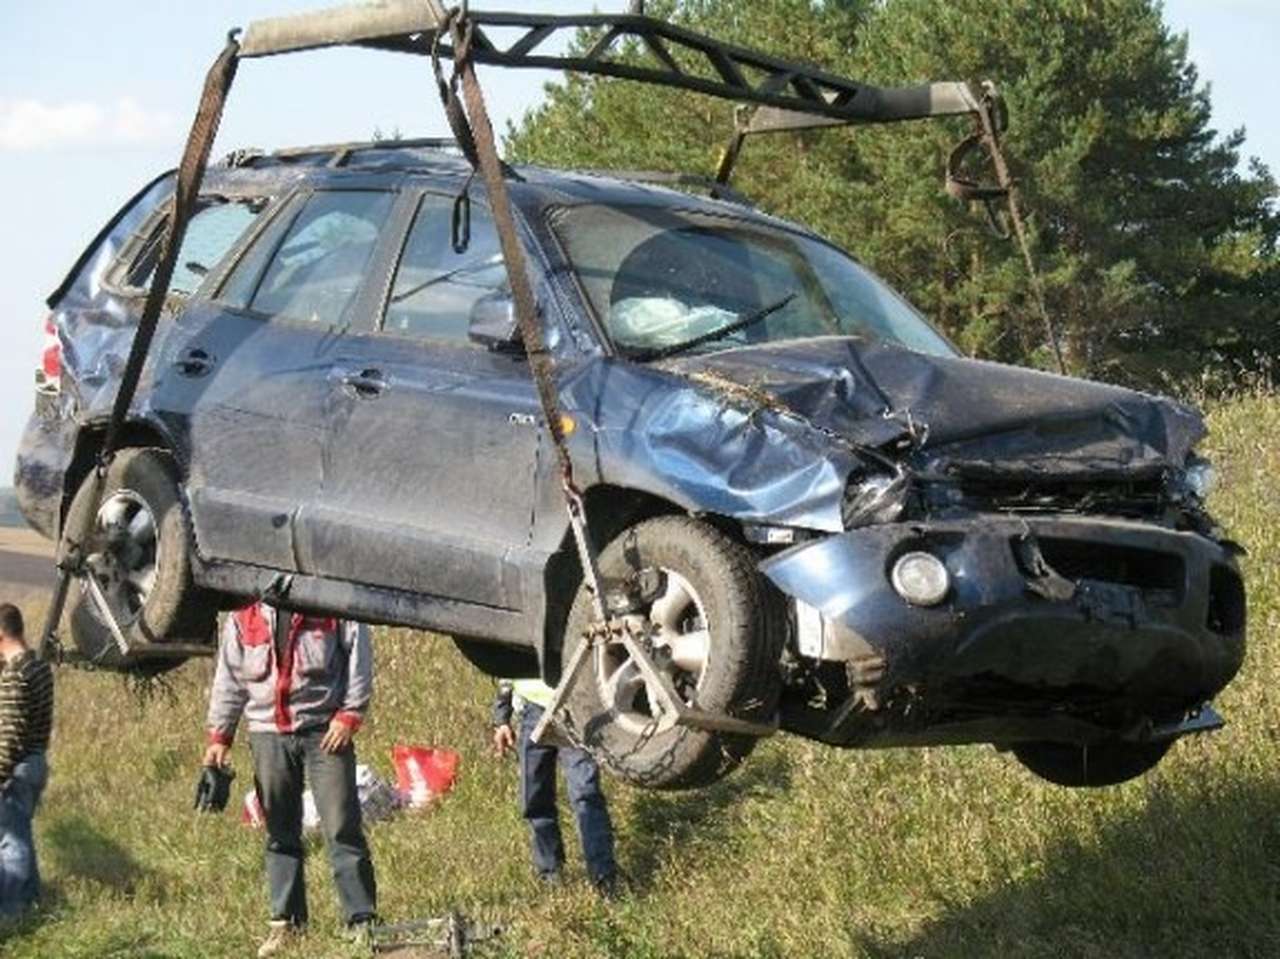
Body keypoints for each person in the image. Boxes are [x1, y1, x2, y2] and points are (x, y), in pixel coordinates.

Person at [202, 601, 376, 958]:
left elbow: (359, 651)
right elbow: (230, 676)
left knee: (342, 827)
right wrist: (220, 737)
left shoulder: (325, 599)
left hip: (325, 731)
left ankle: (361, 921)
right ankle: (288, 924)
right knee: (280, 832)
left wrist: (349, 715)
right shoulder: (243, 611)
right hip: (268, 734)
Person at [492, 679, 618, 895]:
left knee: (585, 796)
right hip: (533, 712)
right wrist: (502, 718)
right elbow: (508, 664)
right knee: (533, 798)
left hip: (575, 709)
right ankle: (550, 877)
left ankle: (604, 880)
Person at [0, 603, 54, 918]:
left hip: (16, 767)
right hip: (36, 760)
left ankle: (11, 910)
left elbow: (9, 736)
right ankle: (32, 898)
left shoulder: (15, 676)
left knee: (10, 844)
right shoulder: (37, 666)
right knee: (22, 835)